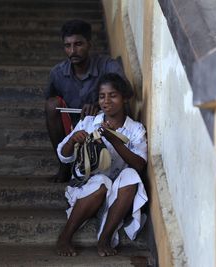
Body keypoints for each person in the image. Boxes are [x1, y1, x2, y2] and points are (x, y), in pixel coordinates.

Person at [56, 73, 148, 257]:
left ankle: (104, 238)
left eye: (113, 95)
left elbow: (139, 164)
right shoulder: (89, 122)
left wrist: (114, 139)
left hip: (118, 194)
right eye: (102, 96)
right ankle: (65, 238)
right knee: (101, 182)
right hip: (89, 189)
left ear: (124, 98)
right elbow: (63, 155)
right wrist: (73, 140)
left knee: (132, 176)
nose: (106, 101)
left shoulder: (136, 129)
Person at [45, 19, 125, 183]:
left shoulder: (107, 65)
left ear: (90, 44)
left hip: (103, 127)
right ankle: (64, 166)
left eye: (78, 44)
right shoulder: (57, 73)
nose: (73, 50)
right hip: (73, 132)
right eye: (68, 46)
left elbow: (127, 92)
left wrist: (99, 104)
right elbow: (50, 105)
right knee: (51, 105)